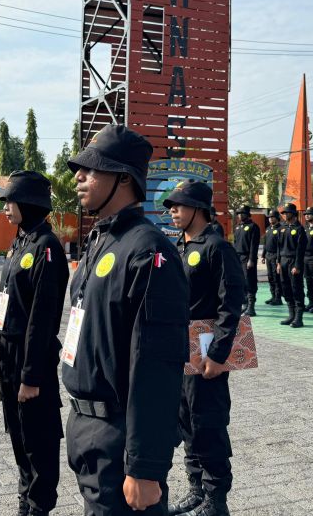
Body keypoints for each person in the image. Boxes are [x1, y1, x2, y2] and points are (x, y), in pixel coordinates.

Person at [62, 124, 190, 515]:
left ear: (122, 179)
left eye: (91, 170)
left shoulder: (148, 251)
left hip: (119, 438)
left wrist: (145, 467)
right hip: (86, 428)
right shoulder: (101, 239)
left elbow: (157, 367)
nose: (79, 177)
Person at [0, 171, 68, 516]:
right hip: (8, 353)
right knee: (18, 433)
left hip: (30, 355)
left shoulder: (47, 247)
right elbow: (9, 300)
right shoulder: (20, 241)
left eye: (9, 201)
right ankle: (25, 497)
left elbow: (41, 317)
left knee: (38, 438)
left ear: (29, 203)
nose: (5, 208)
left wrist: (32, 376)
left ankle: (39, 506)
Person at [165, 181, 244, 516]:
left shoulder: (216, 247)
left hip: (207, 349)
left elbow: (232, 304)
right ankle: (196, 488)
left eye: (179, 205)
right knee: (185, 420)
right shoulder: (182, 247)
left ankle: (216, 498)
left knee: (207, 421)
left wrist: (218, 355)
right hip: (183, 348)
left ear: (199, 208)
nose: (173, 211)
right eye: (171, 206)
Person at [276, 203, 307, 328]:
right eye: (283, 213)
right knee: (286, 288)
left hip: (294, 262)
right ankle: (291, 315)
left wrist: (297, 266)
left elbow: (301, 249)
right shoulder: (281, 228)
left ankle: (298, 318)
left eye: (286, 213)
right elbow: (279, 246)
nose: (284, 215)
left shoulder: (299, 229)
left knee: (296, 289)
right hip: (283, 261)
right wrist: (278, 262)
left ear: (293, 214)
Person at [232, 206, 259, 316]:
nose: (240, 215)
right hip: (238, 257)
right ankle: (245, 304)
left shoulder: (253, 227)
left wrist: (251, 259)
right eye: (238, 213)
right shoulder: (238, 227)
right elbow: (235, 243)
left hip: (248, 258)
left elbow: (254, 245)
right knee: (242, 281)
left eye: (242, 213)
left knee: (250, 281)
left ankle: (251, 307)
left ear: (248, 214)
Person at [261, 210, 282, 306]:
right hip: (268, 256)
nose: (270, 219)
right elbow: (265, 243)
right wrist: (263, 255)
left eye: (272, 217)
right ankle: (273, 296)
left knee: (276, 277)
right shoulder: (268, 229)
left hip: (275, 255)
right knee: (270, 277)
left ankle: (278, 298)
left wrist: (278, 260)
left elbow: (280, 246)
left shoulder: (280, 229)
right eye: (269, 217)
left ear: (277, 218)